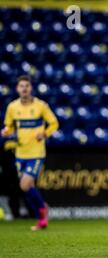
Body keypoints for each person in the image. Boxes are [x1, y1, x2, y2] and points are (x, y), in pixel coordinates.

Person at [1, 75, 59, 231]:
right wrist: (6, 131)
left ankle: (42, 210)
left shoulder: (41, 106)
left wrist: (45, 134)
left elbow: (54, 123)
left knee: (24, 185)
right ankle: (41, 219)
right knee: (28, 187)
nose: (24, 89)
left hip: (36, 152)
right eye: (21, 86)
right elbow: (10, 127)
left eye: (27, 86)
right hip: (20, 153)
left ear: (31, 88)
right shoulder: (12, 107)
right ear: (17, 89)